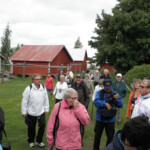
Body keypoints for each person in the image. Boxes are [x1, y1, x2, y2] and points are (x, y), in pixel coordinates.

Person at [93, 79, 123, 150]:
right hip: (100, 119)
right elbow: (95, 102)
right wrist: (105, 104)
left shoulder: (115, 93)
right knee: (97, 137)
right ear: (103, 86)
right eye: (106, 87)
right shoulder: (99, 92)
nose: (107, 89)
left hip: (110, 120)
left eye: (109, 87)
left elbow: (121, 105)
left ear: (111, 86)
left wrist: (117, 99)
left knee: (110, 137)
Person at [21, 74, 49, 148]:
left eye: (40, 79)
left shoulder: (43, 87)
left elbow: (46, 99)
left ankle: (39, 141)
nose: (39, 80)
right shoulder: (28, 88)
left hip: (41, 111)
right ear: (33, 80)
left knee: (42, 125)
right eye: (37, 79)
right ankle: (31, 141)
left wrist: (46, 109)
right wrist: (24, 111)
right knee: (31, 127)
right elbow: (24, 101)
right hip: (31, 112)